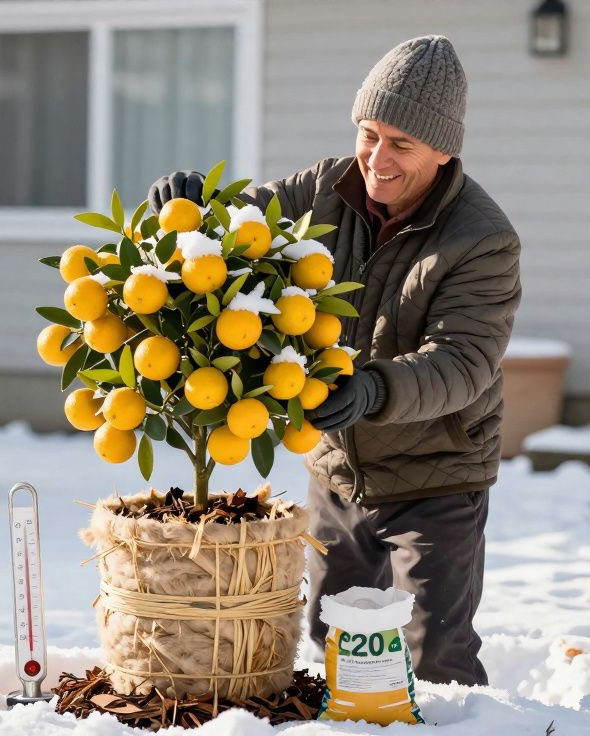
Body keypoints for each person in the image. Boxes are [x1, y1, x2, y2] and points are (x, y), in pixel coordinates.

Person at [147, 35, 521, 687]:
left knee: (435, 656)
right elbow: (246, 226)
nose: (377, 158)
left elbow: (464, 364)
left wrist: (372, 389)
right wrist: (195, 218)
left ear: (444, 149)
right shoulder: (325, 189)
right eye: (369, 133)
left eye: (401, 143)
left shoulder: (481, 238)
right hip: (337, 468)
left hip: (435, 476)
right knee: (335, 646)